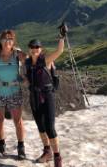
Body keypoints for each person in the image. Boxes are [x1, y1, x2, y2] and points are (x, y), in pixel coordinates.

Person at [25, 36, 65, 167]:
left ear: (41, 49)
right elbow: (28, 80)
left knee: (50, 128)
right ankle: (47, 152)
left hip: (47, 97)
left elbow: (59, 51)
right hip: (34, 97)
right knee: (41, 128)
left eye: (37, 47)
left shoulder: (46, 60)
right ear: (29, 49)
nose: (34, 49)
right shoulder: (28, 63)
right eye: (32, 47)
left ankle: (57, 158)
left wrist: (61, 37)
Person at [0, 29, 28, 160]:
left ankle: (21, 147)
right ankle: (1, 146)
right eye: (5, 39)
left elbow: (33, 60)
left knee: (18, 120)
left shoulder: (18, 55)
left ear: (13, 41)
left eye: (10, 39)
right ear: (0, 41)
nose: (8, 41)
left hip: (14, 91)